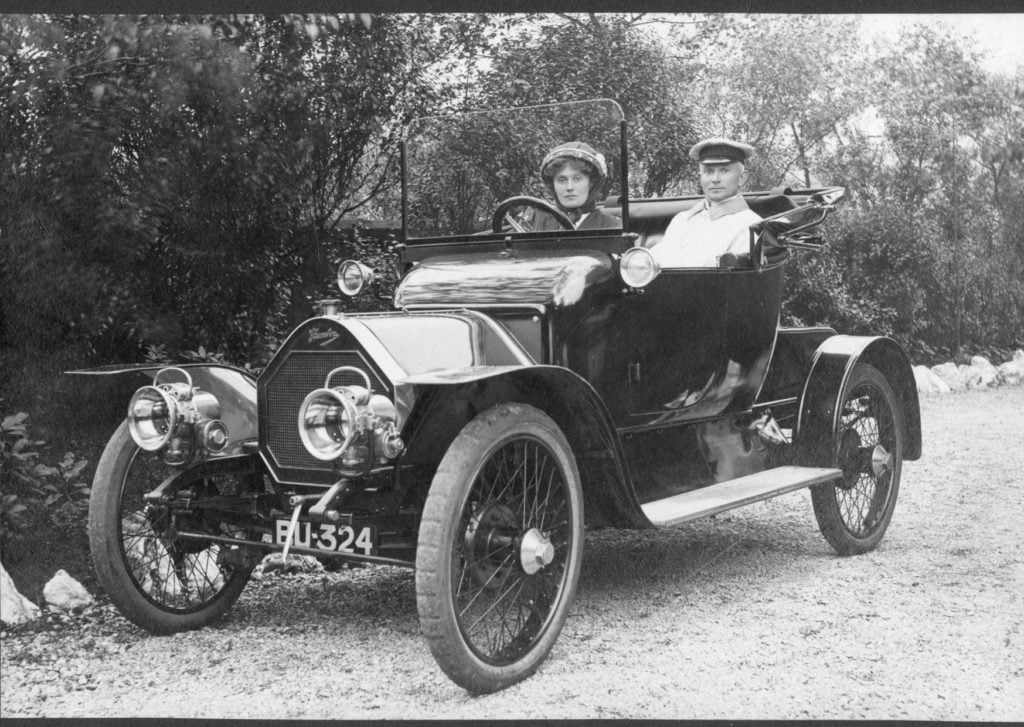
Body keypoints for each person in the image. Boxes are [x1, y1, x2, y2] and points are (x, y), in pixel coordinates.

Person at [650, 138, 761, 267]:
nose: (715, 179)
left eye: (724, 170)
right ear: (700, 178)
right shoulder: (682, 220)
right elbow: (652, 261)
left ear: (741, 178)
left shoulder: (750, 225)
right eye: (708, 171)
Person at [532, 141, 620, 231]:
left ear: (591, 183)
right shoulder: (539, 221)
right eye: (562, 180)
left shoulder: (611, 226)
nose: (569, 187)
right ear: (552, 185)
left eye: (577, 179)